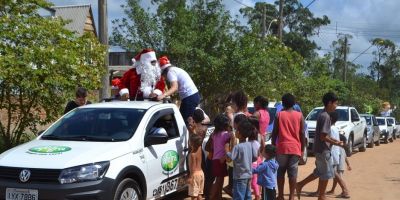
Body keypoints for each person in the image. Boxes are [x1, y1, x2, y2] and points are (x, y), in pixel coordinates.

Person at [297, 92, 344, 200]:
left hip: (320, 149)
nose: (336, 106)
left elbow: (324, 135)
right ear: (329, 103)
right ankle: (321, 196)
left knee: (320, 172)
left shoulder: (323, 114)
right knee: (326, 173)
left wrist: (334, 140)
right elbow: (323, 137)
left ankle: (300, 185)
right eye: (335, 103)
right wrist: (335, 143)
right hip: (323, 150)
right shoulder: (326, 116)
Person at [271, 93, 305, 200]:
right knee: (293, 174)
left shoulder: (279, 115)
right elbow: (302, 134)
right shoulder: (299, 115)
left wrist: (273, 146)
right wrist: (302, 149)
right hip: (295, 148)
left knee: (280, 172)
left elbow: (275, 132)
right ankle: (291, 196)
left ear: (283, 103)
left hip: (282, 148)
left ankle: (280, 196)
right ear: (294, 103)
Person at [156, 56, 200, 122]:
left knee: (184, 122)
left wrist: (163, 95)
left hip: (189, 97)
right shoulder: (174, 69)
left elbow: (174, 87)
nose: (164, 77)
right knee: (184, 120)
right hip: (192, 96)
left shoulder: (170, 72)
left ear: (163, 71)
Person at [227, 119, 258, 200]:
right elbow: (254, 157)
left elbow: (231, 158)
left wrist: (227, 151)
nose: (235, 131)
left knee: (238, 196)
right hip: (248, 174)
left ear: (239, 134)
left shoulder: (237, 147)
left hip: (239, 176)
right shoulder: (250, 145)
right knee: (247, 195)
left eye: (237, 130)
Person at [207, 114, 232, 200]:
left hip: (215, 160)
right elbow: (233, 136)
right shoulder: (225, 134)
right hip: (221, 160)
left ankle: (218, 197)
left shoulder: (214, 134)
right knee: (218, 181)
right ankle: (212, 197)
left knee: (220, 180)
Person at [327, 134, 352, 198]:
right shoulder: (342, 148)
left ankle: (345, 192)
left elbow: (339, 157)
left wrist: (348, 164)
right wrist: (348, 164)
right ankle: (333, 190)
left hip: (339, 166)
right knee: (336, 179)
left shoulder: (338, 148)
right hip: (341, 166)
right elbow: (345, 157)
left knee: (339, 179)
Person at [188, 134, 205, 200]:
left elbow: (193, 167)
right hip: (201, 173)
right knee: (199, 194)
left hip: (195, 175)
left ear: (191, 143)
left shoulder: (192, 154)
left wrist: (190, 177)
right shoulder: (200, 148)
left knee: (193, 196)